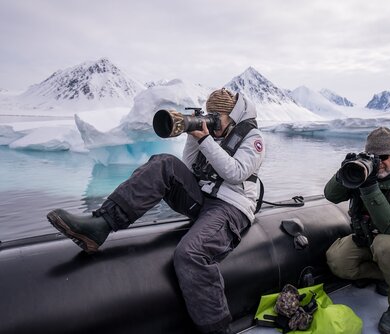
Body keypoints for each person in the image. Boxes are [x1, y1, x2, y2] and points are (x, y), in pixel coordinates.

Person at [47, 88, 265, 334]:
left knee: (190, 254)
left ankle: (218, 329)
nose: (213, 121)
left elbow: (235, 173)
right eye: (210, 114)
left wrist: (206, 140)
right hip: (204, 198)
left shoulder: (253, 137)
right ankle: (101, 225)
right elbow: (191, 167)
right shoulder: (213, 135)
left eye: (218, 116)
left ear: (233, 116)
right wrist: (193, 137)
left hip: (231, 207)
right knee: (164, 164)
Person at [324, 127, 390, 334]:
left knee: (386, 244)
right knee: (337, 260)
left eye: (385, 157)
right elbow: (331, 196)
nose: (379, 162)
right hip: (370, 238)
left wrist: (369, 186)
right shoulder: (367, 172)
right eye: (375, 157)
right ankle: (388, 275)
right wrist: (344, 173)